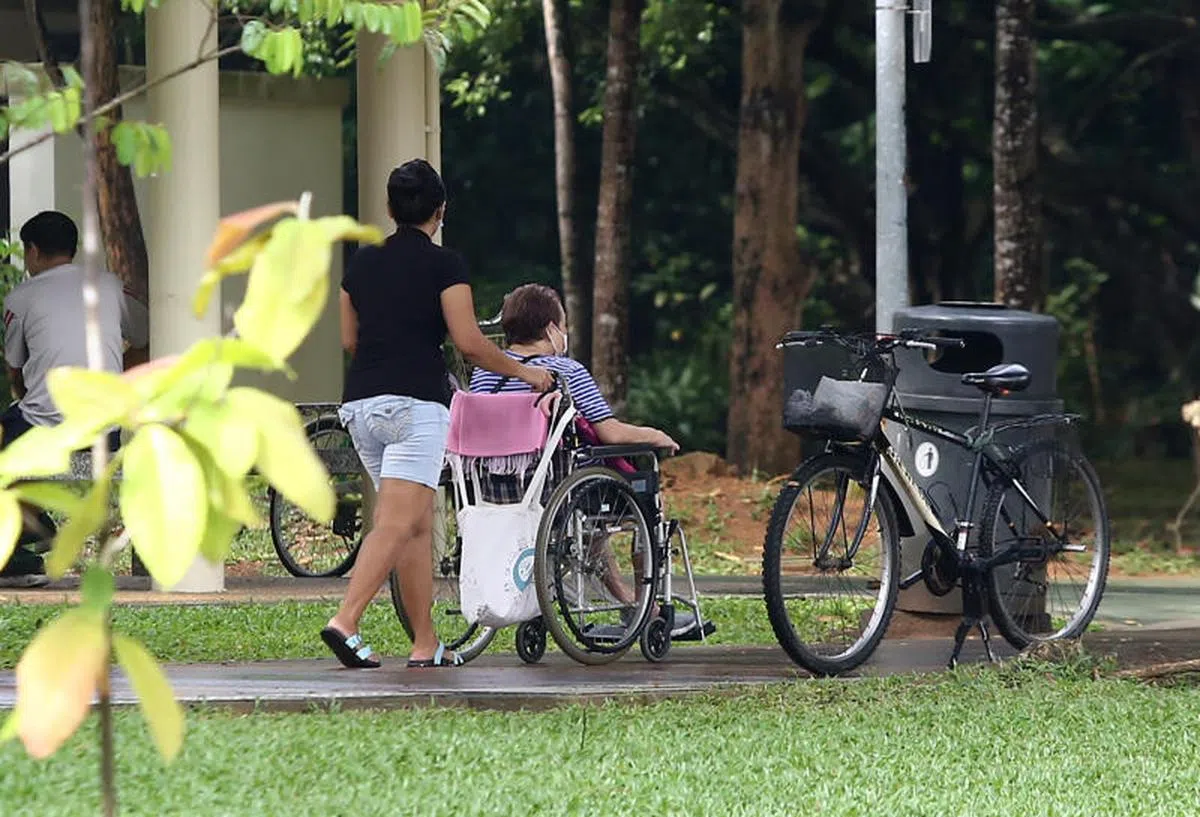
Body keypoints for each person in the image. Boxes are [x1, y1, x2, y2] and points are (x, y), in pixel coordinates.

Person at [322, 159, 553, 669]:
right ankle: (346, 620)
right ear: (440, 210)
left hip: (361, 406)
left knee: (416, 524)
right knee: (395, 523)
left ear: (389, 209)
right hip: (416, 407)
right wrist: (528, 374)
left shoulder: (361, 264)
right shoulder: (445, 265)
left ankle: (426, 642)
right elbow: (469, 343)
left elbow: (349, 340)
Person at [469, 283, 708, 640]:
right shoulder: (565, 371)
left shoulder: (485, 375)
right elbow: (609, 432)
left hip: (493, 488)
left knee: (594, 513)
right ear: (552, 328)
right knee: (636, 500)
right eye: (564, 325)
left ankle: (625, 600)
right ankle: (646, 607)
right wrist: (654, 434)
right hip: (555, 490)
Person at [0, 210, 149, 587]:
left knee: (13, 437)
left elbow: (15, 369)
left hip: (47, 428)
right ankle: (32, 528)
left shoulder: (21, 297)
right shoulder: (111, 286)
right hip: (105, 431)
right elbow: (147, 339)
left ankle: (21, 541)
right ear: (72, 249)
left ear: (32, 251)